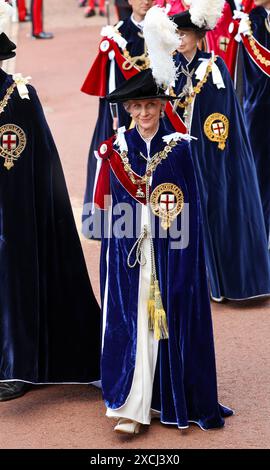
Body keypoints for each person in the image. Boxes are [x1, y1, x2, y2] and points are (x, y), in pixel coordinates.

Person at [94, 6, 233, 434]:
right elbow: (112, 213)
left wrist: (178, 255)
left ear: (160, 105)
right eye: (136, 106)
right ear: (129, 109)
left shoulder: (181, 149)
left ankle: (165, 398)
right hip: (134, 255)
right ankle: (133, 410)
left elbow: (190, 209)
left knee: (168, 321)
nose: (143, 112)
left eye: (150, 104)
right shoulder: (117, 150)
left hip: (172, 252)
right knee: (135, 322)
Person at [0, 15, 101, 400]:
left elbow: (27, 165)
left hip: (15, 213)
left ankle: (19, 365)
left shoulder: (18, 98)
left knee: (15, 274)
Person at [164, 0, 270, 301]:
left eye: (185, 34)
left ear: (199, 36)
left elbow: (221, 118)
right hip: (177, 153)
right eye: (177, 34)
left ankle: (217, 280)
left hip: (210, 156)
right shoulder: (168, 67)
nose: (180, 39)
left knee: (213, 209)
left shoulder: (214, 67)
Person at [81, 0, 153, 239]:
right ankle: (107, 221)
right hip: (122, 110)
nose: (146, 1)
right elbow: (112, 79)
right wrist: (114, 114)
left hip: (153, 107)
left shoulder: (160, 28)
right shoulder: (119, 32)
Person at [228, 0, 270, 240]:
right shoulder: (248, 22)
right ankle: (260, 235)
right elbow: (237, 75)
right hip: (257, 110)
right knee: (258, 174)